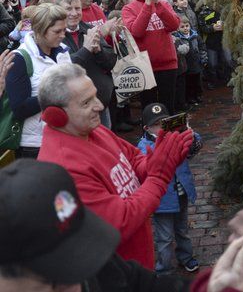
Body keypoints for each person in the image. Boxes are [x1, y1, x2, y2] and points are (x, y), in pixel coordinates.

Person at [0, 159, 243, 292]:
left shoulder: (95, 271)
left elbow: (149, 286)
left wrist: (222, 285)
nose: (75, 287)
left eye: (75, 262)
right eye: (51, 280)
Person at [37, 63, 193, 270]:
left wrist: (156, 161)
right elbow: (121, 221)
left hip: (136, 266)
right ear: (56, 115)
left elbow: (133, 157)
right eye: (86, 102)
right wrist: (159, 176)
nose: (100, 106)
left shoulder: (91, 129)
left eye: (95, 96)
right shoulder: (63, 169)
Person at [138, 103, 202, 274]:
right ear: (147, 127)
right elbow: (146, 166)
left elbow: (193, 147)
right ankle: (164, 269)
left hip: (181, 194)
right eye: (156, 124)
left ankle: (186, 257)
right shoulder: (144, 146)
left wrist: (188, 132)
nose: (161, 127)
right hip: (162, 200)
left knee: (183, 230)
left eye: (164, 122)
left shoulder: (176, 136)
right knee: (164, 238)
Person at [5, 3, 71, 157]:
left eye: (64, 30)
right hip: (34, 145)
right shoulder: (20, 58)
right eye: (57, 31)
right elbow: (20, 108)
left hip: (64, 134)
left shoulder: (63, 51)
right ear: (41, 30)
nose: (63, 35)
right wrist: (55, 94)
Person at [55, 0, 117, 129]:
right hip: (71, 110)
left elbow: (111, 62)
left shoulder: (89, 29)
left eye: (77, 8)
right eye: (68, 8)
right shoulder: (55, 35)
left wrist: (99, 51)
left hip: (99, 104)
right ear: (57, 9)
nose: (74, 13)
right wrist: (86, 50)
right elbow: (62, 69)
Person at [122, 0, 180, 111]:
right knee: (150, 109)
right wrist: (147, 6)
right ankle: (151, 134)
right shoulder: (128, 9)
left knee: (168, 107)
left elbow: (174, 25)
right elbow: (137, 32)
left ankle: (168, 133)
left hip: (167, 64)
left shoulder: (164, 4)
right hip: (145, 66)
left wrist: (157, 4)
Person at [174, 17, 207, 106]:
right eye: (182, 27)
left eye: (187, 26)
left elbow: (202, 47)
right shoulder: (178, 38)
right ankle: (190, 97)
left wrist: (204, 58)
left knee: (197, 80)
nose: (185, 28)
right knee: (188, 82)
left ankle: (198, 95)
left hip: (196, 62)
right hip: (186, 64)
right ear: (178, 28)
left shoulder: (195, 36)